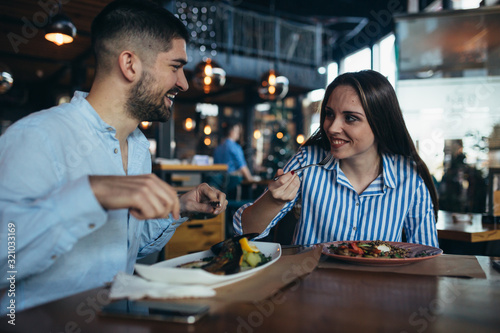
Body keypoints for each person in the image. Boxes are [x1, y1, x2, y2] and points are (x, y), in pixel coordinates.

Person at [0, 0, 227, 312]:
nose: (184, 83)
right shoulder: (37, 137)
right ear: (130, 64)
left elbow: (125, 247)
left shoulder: (137, 150)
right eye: (175, 67)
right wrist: (90, 193)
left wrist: (183, 206)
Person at [234, 70, 439, 247]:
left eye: (350, 118)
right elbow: (245, 231)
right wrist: (273, 200)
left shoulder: (410, 179)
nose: (331, 128)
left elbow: (427, 255)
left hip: (379, 291)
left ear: (381, 124)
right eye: (329, 114)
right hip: (309, 288)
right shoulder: (308, 161)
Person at [213, 121, 257, 196]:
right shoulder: (235, 147)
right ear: (231, 132)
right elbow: (242, 167)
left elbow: (215, 167)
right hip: (232, 185)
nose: (238, 134)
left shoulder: (218, 148)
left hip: (218, 185)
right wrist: (251, 181)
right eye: (237, 131)